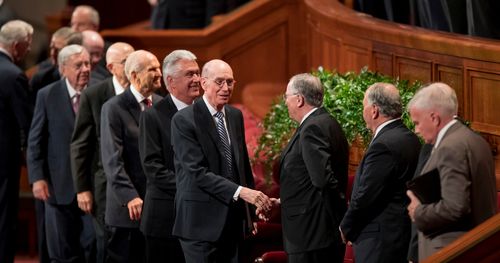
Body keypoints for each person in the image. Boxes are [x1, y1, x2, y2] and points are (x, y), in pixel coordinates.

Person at [170, 59, 272, 263]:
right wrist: (242, 192)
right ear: (203, 83)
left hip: (232, 222)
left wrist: (250, 212)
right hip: (199, 224)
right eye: (219, 82)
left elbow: (241, 166)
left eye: (230, 82)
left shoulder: (234, 115)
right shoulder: (183, 120)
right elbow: (197, 172)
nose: (226, 88)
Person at [259, 73, 349, 262]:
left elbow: (323, 181)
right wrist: (283, 201)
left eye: (287, 97)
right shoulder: (328, 122)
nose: (285, 102)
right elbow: (307, 180)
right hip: (318, 234)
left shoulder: (312, 128)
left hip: (312, 236)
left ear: (299, 99)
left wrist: (340, 221)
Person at [406, 82, 497, 260]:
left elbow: (455, 207)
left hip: (451, 252)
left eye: (417, 123)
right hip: (479, 248)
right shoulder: (474, 139)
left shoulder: (450, 147)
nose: (416, 130)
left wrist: (418, 212)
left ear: (434, 118)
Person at [339, 82, 421, 262]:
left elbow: (367, 194)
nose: (363, 111)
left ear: (374, 110)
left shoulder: (383, 145)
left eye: (363, 106)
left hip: (379, 242)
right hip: (400, 235)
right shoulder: (411, 139)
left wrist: (346, 227)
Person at [70, 42, 135, 263]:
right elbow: (80, 145)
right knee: (108, 244)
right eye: (126, 62)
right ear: (111, 67)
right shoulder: (94, 95)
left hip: (138, 185)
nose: (132, 66)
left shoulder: (146, 93)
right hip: (104, 187)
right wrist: (82, 189)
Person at [27, 44, 92, 262]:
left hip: (92, 188)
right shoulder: (47, 95)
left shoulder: (99, 92)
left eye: (87, 63)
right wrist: (37, 178)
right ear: (63, 69)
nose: (85, 69)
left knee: (92, 248)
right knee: (62, 253)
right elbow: (35, 141)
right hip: (57, 186)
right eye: (78, 65)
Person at [138, 49, 201, 263]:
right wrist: (195, 187)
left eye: (197, 73)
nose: (196, 79)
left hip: (199, 220)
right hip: (165, 220)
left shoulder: (205, 113)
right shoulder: (152, 117)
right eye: (190, 74)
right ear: (170, 82)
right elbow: (153, 168)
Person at [100, 50, 163, 263]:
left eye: (159, 67)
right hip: (128, 209)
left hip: (157, 208)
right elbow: (112, 160)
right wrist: (130, 196)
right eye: (152, 69)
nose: (159, 73)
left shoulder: (163, 105)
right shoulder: (113, 108)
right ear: (134, 76)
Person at [0, 19, 33, 263]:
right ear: (17, 45)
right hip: (4, 164)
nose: (30, 49)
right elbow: (28, 123)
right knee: (3, 220)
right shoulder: (13, 76)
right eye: (28, 44)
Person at [30, 27, 82, 103]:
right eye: (51, 48)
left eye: (58, 50)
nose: (52, 53)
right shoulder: (41, 79)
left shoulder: (87, 79)